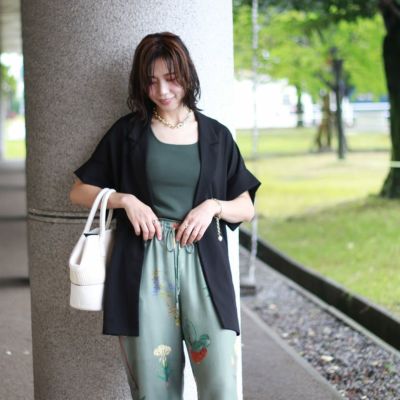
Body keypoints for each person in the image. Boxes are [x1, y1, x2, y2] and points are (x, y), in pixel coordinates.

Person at [69, 31, 261, 400]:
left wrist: (214, 206)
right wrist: (124, 199)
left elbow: (246, 206)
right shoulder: (128, 133)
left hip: (204, 267)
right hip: (145, 265)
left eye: (171, 78)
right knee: (155, 386)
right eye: (151, 81)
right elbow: (78, 191)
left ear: (187, 75)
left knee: (221, 383)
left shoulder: (216, 136)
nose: (162, 90)